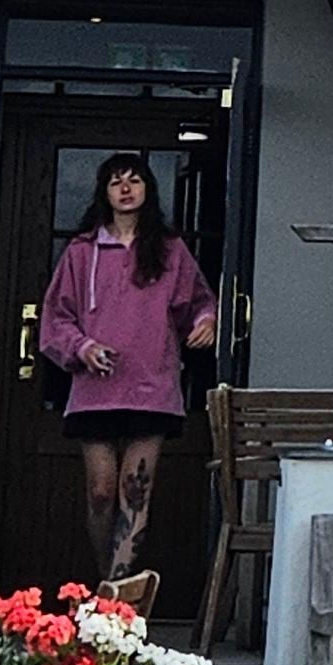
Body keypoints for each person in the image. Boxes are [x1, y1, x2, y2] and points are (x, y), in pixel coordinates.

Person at [35, 153, 215, 590]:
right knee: (100, 493)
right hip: (95, 389)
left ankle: (117, 603)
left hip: (151, 387)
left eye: (135, 180)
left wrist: (208, 320)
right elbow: (55, 318)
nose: (126, 189)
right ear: (104, 192)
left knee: (135, 493)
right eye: (117, 182)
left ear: (148, 189)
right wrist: (84, 347)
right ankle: (107, 582)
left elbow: (199, 302)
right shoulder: (81, 252)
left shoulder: (171, 251)